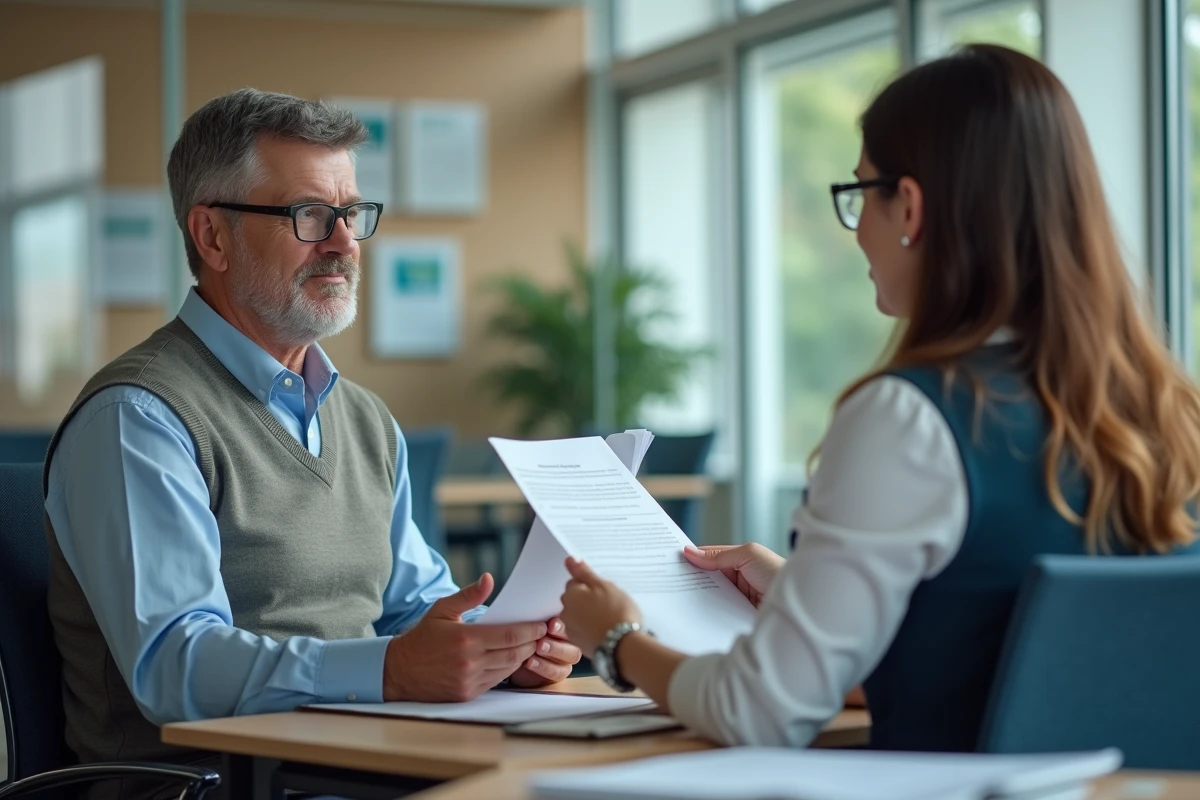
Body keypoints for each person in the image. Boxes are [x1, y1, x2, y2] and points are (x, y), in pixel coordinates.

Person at [558, 44, 1200, 752]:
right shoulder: (1169, 410)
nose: (859, 224)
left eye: (862, 192)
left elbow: (760, 711)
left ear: (911, 207)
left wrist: (618, 639)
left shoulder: (909, 416)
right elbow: (1017, 653)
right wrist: (809, 588)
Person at [43, 88, 579, 793]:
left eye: (351, 214)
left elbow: (413, 605)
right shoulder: (139, 417)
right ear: (212, 237)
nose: (343, 242)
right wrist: (387, 670)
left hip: (361, 764)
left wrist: (498, 645)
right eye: (309, 215)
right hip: (207, 785)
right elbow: (174, 664)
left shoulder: (365, 420)